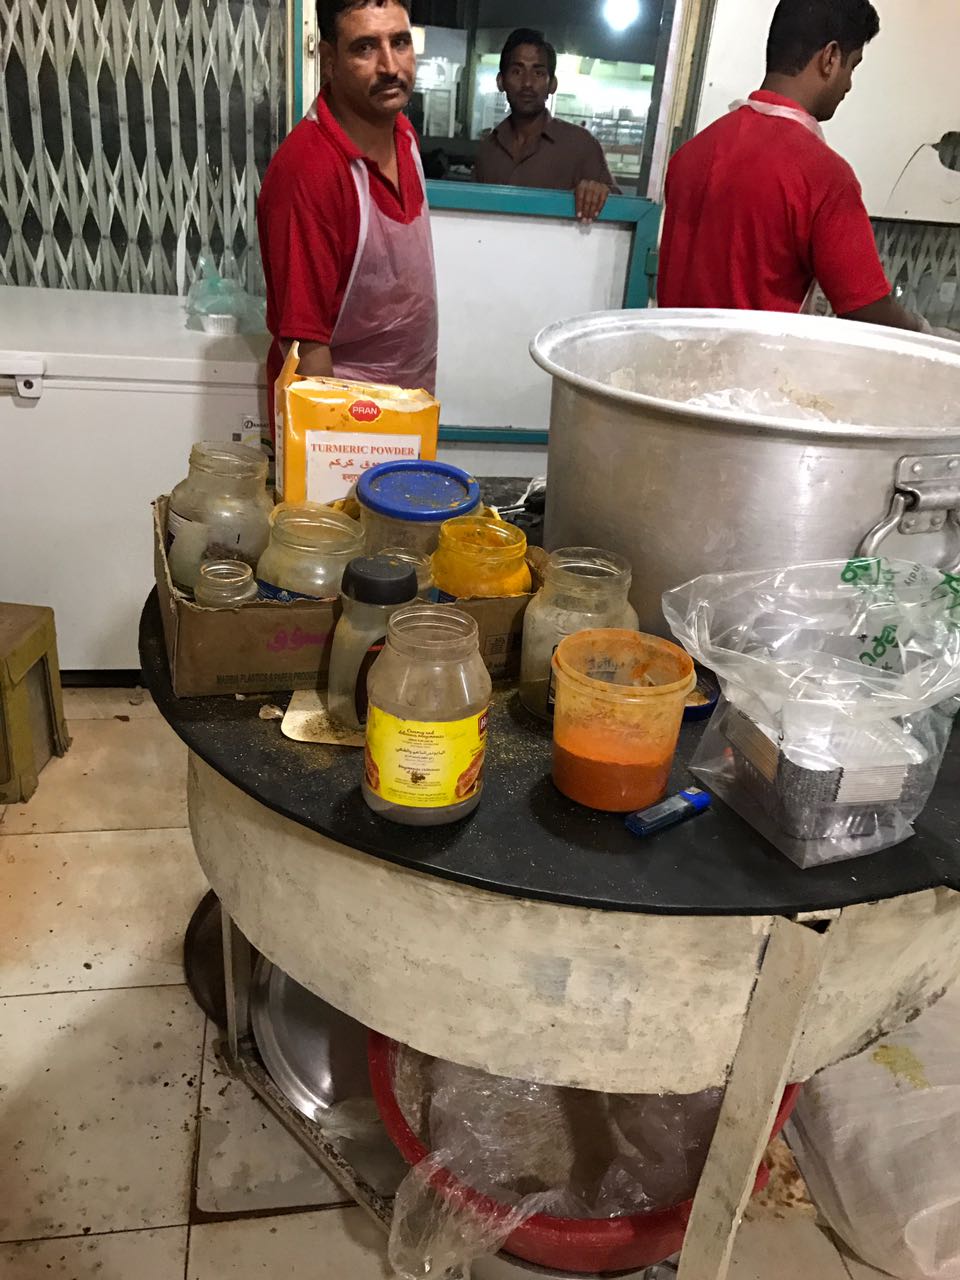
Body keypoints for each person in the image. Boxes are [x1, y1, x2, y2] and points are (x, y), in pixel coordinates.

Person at [658, 0, 929, 332]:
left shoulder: (690, 154)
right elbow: (866, 308)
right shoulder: (824, 175)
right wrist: (930, 335)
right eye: (852, 66)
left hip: (672, 358)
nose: (848, 85)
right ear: (830, 58)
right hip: (756, 364)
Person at [257, 0, 438, 428]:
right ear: (329, 59)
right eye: (365, 48)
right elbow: (306, 352)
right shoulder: (311, 170)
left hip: (406, 417)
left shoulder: (404, 135)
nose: (390, 66)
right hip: (340, 430)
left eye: (400, 43)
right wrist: (343, 447)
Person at [473, 29, 617, 223]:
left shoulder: (581, 146)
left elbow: (619, 211)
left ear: (552, 85)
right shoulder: (488, 151)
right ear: (501, 81)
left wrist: (599, 192)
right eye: (517, 71)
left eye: (538, 73)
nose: (527, 83)